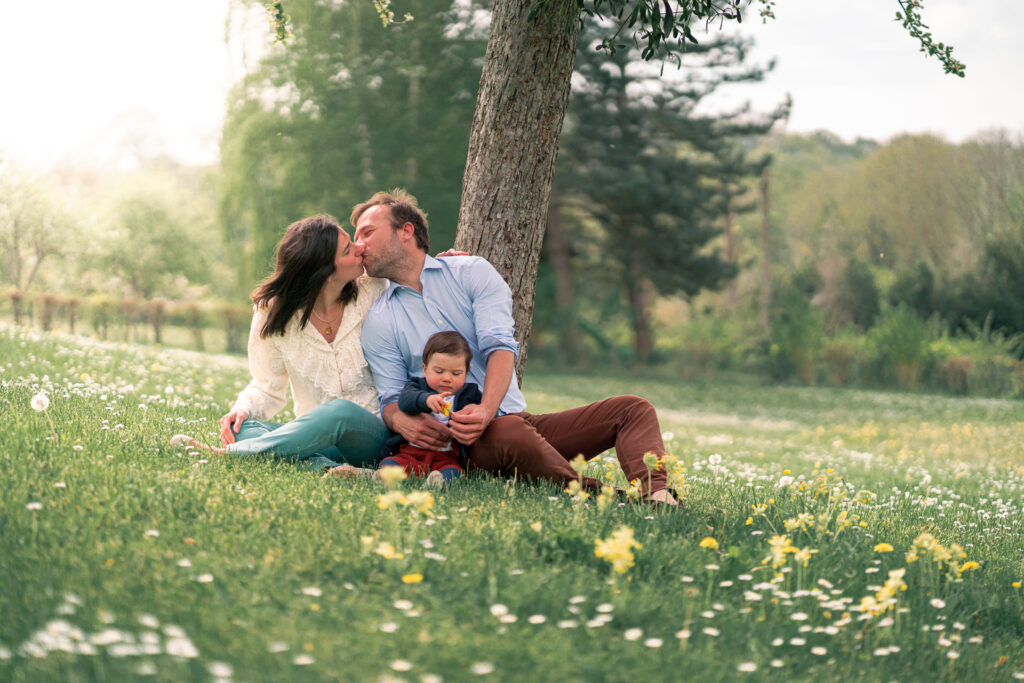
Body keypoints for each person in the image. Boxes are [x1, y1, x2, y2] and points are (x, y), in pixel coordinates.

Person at [353, 190, 678, 504]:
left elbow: (500, 347)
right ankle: (614, 499)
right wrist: (402, 422)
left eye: (367, 232)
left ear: (406, 231)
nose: (359, 244)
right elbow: (392, 397)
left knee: (631, 409)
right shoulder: (381, 319)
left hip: (516, 422)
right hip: (463, 448)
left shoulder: (471, 273)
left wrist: (487, 410)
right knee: (509, 431)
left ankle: (658, 495)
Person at [171, 214, 390, 473]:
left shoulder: (375, 289)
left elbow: (416, 280)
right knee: (243, 430)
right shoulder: (272, 312)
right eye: (347, 250)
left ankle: (230, 456)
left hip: (372, 437)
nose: (359, 248)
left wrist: (449, 264)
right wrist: (243, 409)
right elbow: (267, 385)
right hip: (316, 439)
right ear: (324, 273)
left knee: (340, 412)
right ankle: (333, 470)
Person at [377, 330, 482, 488]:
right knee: (391, 463)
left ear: (466, 372)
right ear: (425, 369)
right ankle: (386, 478)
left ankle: (438, 482)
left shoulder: (469, 394)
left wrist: (473, 412)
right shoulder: (417, 386)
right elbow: (405, 402)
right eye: (439, 372)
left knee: (454, 471)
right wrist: (426, 399)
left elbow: (486, 415)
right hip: (411, 452)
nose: (447, 378)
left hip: (446, 457)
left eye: (456, 373)